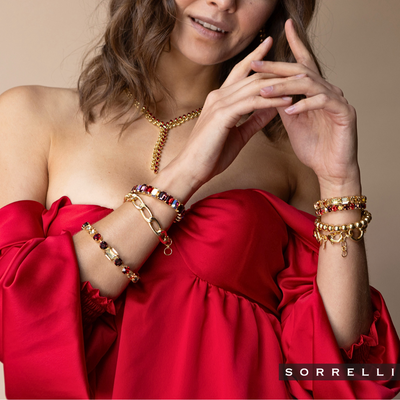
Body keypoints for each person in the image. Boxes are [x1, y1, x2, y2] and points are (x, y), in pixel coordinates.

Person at [0, 0, 399, 398]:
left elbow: (337, 374)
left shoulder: (294, 153)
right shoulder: (30, 117)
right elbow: (13, 319)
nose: (223, 2)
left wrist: (340, 183)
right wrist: (185, 173)